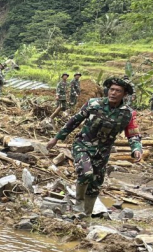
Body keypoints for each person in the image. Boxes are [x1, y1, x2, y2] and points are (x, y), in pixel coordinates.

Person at [47, 76, 142, 216]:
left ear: (125, 94)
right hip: (83, 145)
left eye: (118, 91)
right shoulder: (93, 104)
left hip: (103, 152)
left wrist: (136, 149)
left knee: (95, 185)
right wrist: (56, 138)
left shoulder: (128, 113)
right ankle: (78, 203)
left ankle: (86, 217)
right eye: (111, 89)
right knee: (86, 173)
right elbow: (74, 121)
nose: (113, 93)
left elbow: (133, 134)